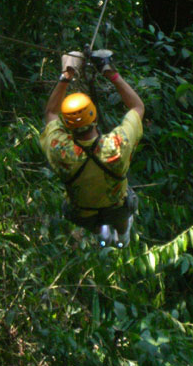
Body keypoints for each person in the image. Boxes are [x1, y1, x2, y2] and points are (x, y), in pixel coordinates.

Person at [40, 50, 144, 248]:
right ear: (94, 117)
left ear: (67, 125)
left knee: (81, 211)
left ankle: (99, 231)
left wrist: (66, 76)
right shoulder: (116, 145)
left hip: (82, 211)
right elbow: (137, 108)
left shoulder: (59, 150)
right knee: (122, 204)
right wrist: (110, 72)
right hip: (117, 208)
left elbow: (51, 113)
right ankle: (122, 234)